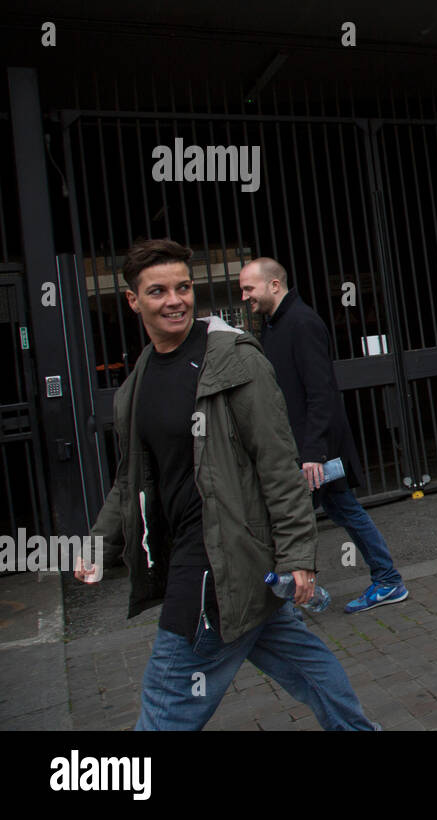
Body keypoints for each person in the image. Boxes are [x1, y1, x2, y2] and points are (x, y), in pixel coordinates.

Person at [75, 239, 376, 730]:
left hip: (214, 565)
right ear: (133, 301)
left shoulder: (233, 358)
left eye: (183, 287)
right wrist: (97, 544)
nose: (175, 300)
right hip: (210, 562)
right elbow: (129, 480)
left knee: (167, 702)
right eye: (157, 291)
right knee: (306, 664)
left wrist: (299, 555)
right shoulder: (138, 382)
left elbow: (278, 463)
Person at [239, 258, 407, 613]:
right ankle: (384, 579)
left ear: (273, 285)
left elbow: (321, 392)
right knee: (341, 510)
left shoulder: (302, 324)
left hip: (314, 452)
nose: (244, 297)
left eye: (248, 288)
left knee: (288, 517)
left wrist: (313, 452)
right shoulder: (275, 326)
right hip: (303, 449)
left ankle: (299, 592)